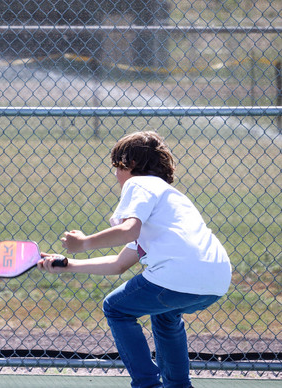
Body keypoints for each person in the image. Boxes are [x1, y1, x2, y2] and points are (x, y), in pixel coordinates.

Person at [38, 131, 231, 388]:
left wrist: (83, 243)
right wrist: (68, 265)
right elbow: (119, 264)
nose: (116, 176)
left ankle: (147, 384)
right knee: (165, 315)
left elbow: (129, 229)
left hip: (177, 275)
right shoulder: (169, 200)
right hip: (217, 280)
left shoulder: (138, 184)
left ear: (129, 164)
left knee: (115, 308)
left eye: (116, 167)